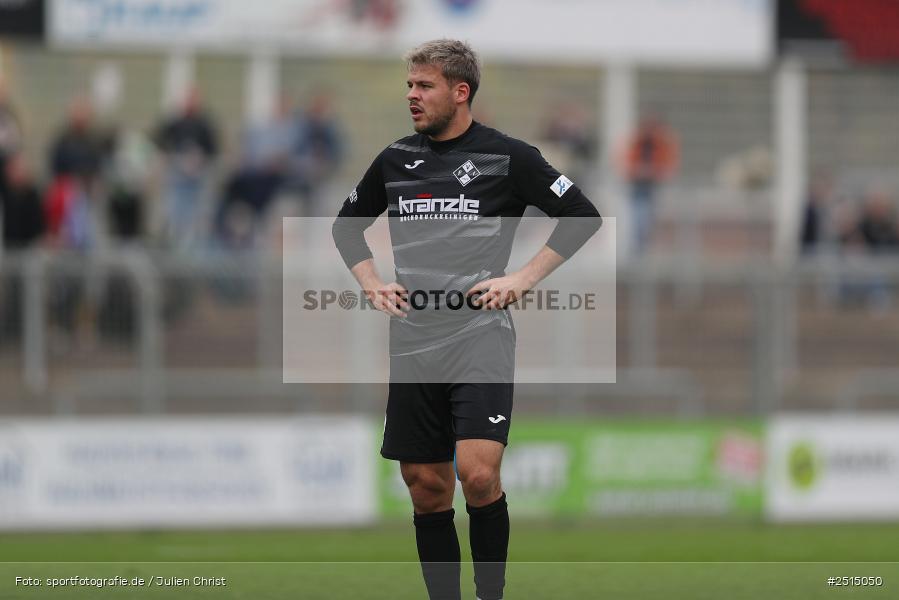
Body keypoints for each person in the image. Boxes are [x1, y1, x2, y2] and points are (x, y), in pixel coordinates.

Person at [332, 39, 601, 600]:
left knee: (477, 475)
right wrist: (373, 285)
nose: (412, 95)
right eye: (409, 84)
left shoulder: (510, 157)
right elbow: (345, 226)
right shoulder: (394, 158)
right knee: (425, 486)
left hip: (480, 334)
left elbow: (581, 215)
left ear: (461, 92)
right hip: (412, 341)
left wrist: (521, 279)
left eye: (423, 85)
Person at [153, 88, 219, 249]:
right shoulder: (175, 122)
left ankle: (194, 250)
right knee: (174, 214)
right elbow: (159, 140)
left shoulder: (205, 124)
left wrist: (198, 159)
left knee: (197, 217)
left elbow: (214, 149)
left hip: (197, 176)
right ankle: (173, 245)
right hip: (177, 175)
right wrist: (172, 157)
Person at [619, 115, 679, 255]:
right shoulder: (636, 142)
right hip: (637, 187)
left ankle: (646, 250)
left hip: (655, 188)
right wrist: (637, 171)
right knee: (639, 219)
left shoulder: (661, 143)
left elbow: (668, 165)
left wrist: (654, 172)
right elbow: (626, 163)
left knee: (650, 221)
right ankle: (638, 251)